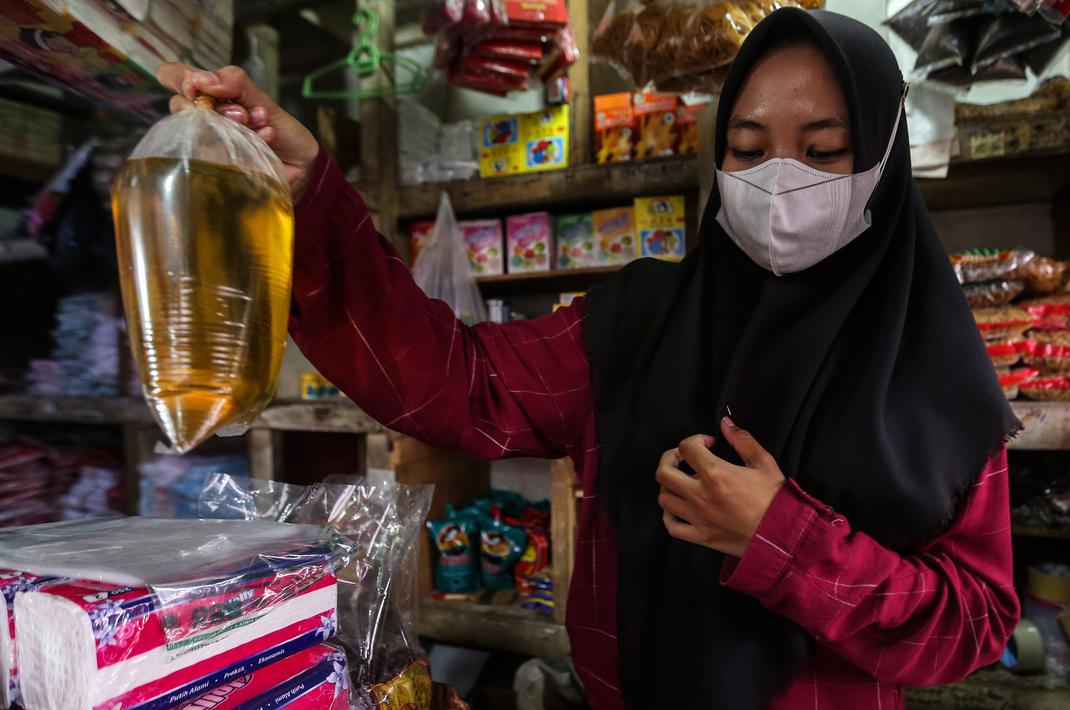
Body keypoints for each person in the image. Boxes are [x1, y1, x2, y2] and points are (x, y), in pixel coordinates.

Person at [158, 7, 1020, 709]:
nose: (780, 181)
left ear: (882, 162)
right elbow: (452, 383)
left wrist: (780, 539)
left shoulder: (928, 370)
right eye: (748, 149)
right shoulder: (636, 322)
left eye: (824, 151)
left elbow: (972, 625)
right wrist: (313, 195)